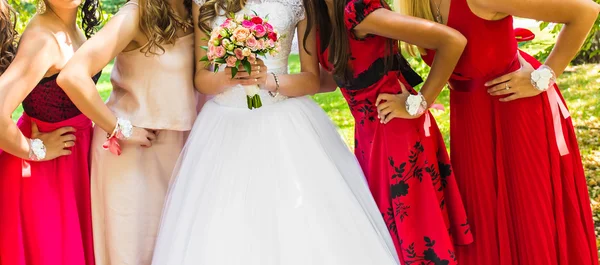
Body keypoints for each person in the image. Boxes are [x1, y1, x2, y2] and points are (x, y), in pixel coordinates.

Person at [149, 0, 401, 264]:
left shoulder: (299, 3)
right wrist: (227, 76)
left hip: (282, 120)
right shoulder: (206, 3)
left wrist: (269, 80)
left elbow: (311, 78)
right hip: (225, 126)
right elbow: (201, 78)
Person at [397, 0, 600, 264]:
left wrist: (543, 76)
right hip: (470, 121)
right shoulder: (417, 4)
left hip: (516, 112)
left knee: (528, 214)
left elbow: (585, 11)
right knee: (482, 216)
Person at [310, 0, 474, 263]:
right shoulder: (320, 15)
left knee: (416, 237)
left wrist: (419, 103)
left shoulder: (357, 10)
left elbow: (452, 41)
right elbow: (330, 80)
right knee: (390, 238)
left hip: (397, 134)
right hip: (368, 138)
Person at [56, 0, 199, 264]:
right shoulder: (136, 13)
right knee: (132, 255)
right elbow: (72, 75)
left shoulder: (196, 10)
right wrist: (119, 128)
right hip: (132, 153)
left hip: (176, 149)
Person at [0, 0, 100, 264]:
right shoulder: (43, 40)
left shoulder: (70, 28)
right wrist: (35, 150)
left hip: (71, 162)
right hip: (44, 174)